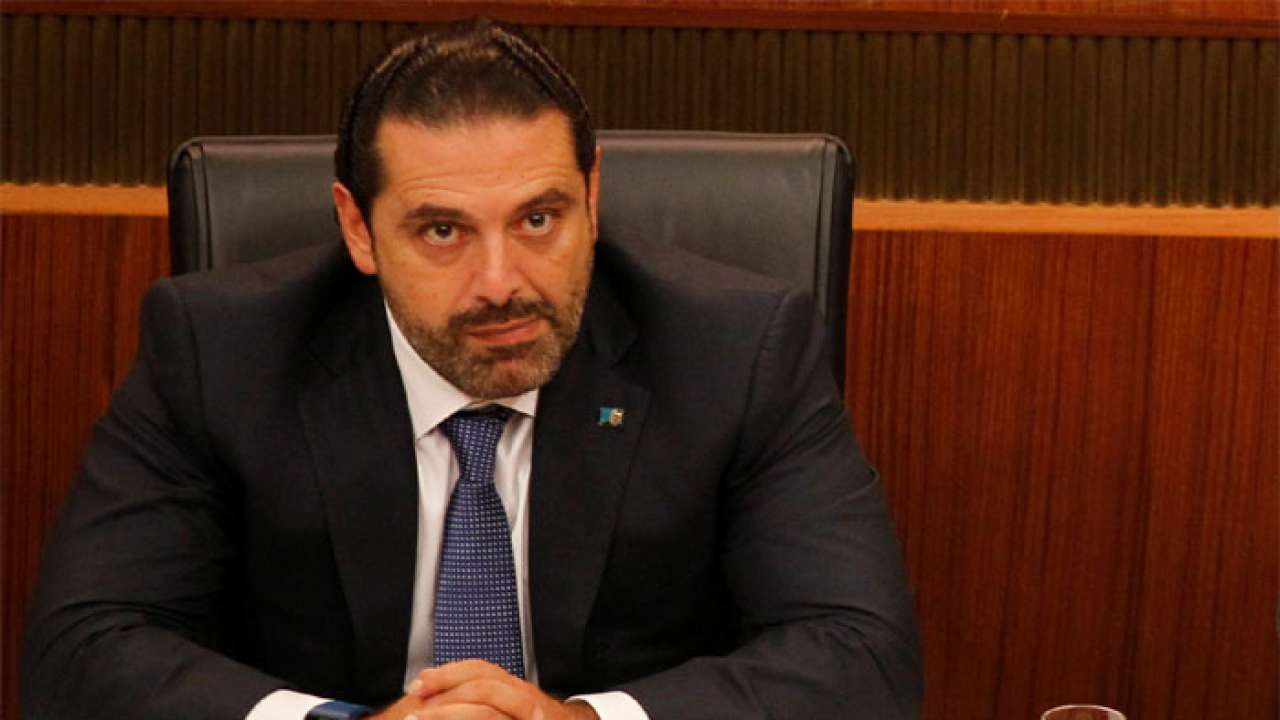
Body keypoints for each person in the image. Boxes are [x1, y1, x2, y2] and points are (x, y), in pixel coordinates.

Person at [22, 18, 922, 720]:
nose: (502, 283)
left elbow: (864, 657)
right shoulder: (220, 350)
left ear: (593, 197)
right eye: (443, 230)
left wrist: (581, 719)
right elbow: (81, 653)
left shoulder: (738, 349)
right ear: (357, 229)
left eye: (539, 219)